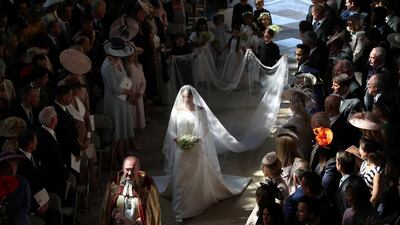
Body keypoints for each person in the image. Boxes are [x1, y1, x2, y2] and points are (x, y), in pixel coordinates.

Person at [155, 85, 250, 220]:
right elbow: (171, 129)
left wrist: (194, 140)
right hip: (180, 147)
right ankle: (180, 210)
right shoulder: (176, 111)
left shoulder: (200, 111)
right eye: (184, 97)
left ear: (193, 97)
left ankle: (196, 201)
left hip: (196, 147)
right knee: (182, 178)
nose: (186, 99)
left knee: (196, 176)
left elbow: (204, 131)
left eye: (188, 97)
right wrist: (178, 140)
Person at [101, 37, 138, 164]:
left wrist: (129, 90)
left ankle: (122, 155)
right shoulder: (107, 66)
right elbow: (114, 88)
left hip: (122, 100)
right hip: (114, 102)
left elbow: (123, 78)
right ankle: (115, 159)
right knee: (117, 130)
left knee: (122, 130)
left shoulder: (118, 61)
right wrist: (128, 92)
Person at [100, 156, 161, 225]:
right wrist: (114, 214)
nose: (129, 173)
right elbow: (107, 209)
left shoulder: (147, 186)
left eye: (132, 170)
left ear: (138, 170)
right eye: (127, 170)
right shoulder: (114, 184)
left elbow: (152, 212)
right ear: (122, 169)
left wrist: (143, 219)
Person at [124, 46, 147, 130]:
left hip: (138, 95)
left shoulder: (139, 66)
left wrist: (140, 93)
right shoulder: (127, 66)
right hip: (130, 95)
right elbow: (126, 81)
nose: (135, 56)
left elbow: (143, 81)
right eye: (133, 54)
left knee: (138, 116)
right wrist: (130, 95)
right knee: (131, 117)